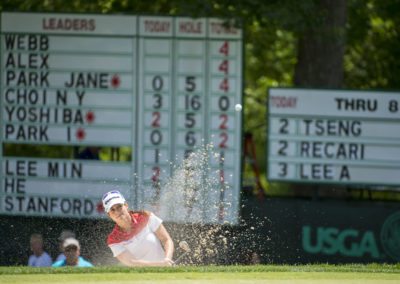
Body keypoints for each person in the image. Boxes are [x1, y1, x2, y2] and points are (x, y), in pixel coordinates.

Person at [102, 190, 174, 267]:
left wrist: (167, 259)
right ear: (109, 215)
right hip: (140, 277)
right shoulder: (113, 239)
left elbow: (166, 239)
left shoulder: (146, 216)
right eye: (112, 210)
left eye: (119, 206)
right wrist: (159, 264)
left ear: (126, 205)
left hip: (165, 269)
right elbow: (131, 262)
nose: (117, 211)